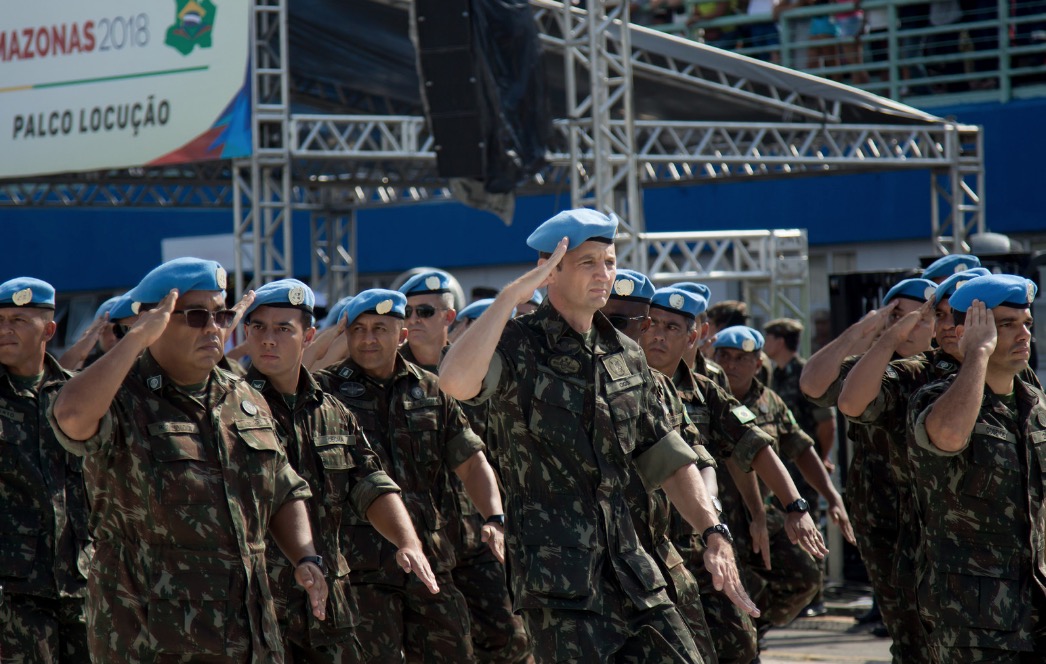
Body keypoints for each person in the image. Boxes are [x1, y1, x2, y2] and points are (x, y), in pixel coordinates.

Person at [439, 208, 758, 662]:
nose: (604, 274)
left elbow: (664, 452)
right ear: (551, 271)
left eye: (608, 262)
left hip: (633, 565)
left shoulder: (625, 352)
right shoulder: (517, 343)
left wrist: (713, 529)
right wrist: (510, 297)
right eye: (588, 262)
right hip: (561, 582)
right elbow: (453, 382)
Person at [49, 257, 328, 663]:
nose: (214, 328)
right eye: (197, 316)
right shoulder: (122, 395)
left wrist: (305, 555)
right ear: (153, 322)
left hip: (249, 636)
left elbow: (281, 486)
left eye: (222, 314)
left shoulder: (243, 397)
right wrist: (134, 340)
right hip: (152, 640)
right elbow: (71, 417)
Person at [241, 279, 439, 662]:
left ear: (308, 336)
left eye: (283, 329)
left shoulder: (331, 411)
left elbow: (369, 482)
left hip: (329, 607)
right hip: (258, 605)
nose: (268, 339)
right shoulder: (229, 408)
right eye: (258, 328)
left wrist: (407, 542)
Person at [316, 289, 506, 663]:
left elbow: (470, 460)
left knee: (454, 652)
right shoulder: (325, 392)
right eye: (359, 329)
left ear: (402, 334)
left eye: (380, 329)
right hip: (360, 565)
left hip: (430, 558)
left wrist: (494, 518)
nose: (368, 339)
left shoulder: (432, 389)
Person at [907, 274, 1046, 661]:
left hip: (1037, 607)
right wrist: (978, 355)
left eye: (1027, 325)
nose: (1023, 336)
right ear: (971, 331)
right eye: (1006, 325)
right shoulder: (935, 398)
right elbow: (948, 436)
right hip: (972, 619)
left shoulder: (1036, 406)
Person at [799, 277, 939, 646]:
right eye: (903, 317)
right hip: (883, 514)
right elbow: (813, 385)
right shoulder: (870, 369)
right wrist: (864, 330)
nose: (915, 327)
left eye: (926, 318)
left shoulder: (948, 370)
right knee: (907, 632)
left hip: (937, 514)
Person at [600, 269, 721, 663]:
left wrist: (712, 523)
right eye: (608, 320)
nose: (655, 335)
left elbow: (692, 457)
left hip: (660, 552)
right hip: (589, 562)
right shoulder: (562, 376)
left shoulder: (659, 387)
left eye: (626, 323)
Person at [711, 325, 854, 646]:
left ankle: (753, 630)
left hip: (764, 516)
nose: (730, 365)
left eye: (740, 358)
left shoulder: (768, 402)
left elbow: (800, 446)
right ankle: (738, 638)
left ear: (757, 364)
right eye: (723, 356)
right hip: (716, 519)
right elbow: (736, 455)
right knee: (724, 593)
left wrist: (832, 497)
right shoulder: (708, 396)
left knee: (805, 576)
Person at [0, 277, 91, 662]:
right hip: (12, 593)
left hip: (82, 584)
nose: (5, 330)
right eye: (0, 319)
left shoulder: (78, 395)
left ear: (49, 329)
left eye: (19, 320)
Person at [763, 317, 837, 618]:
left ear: (780, 341)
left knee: (810, 526)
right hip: (780, 469)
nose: (766, 344)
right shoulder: (774, 375)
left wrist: (822, 456)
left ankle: (815, 595)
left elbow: (826, 423)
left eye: (769, 338)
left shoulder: (806, 373)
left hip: (803, 466)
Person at [397, 270, 457, 371]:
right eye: (407, 312)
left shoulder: (468, 364)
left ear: (448, 317)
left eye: (424, 311)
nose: (413, 320)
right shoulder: (388, 369)